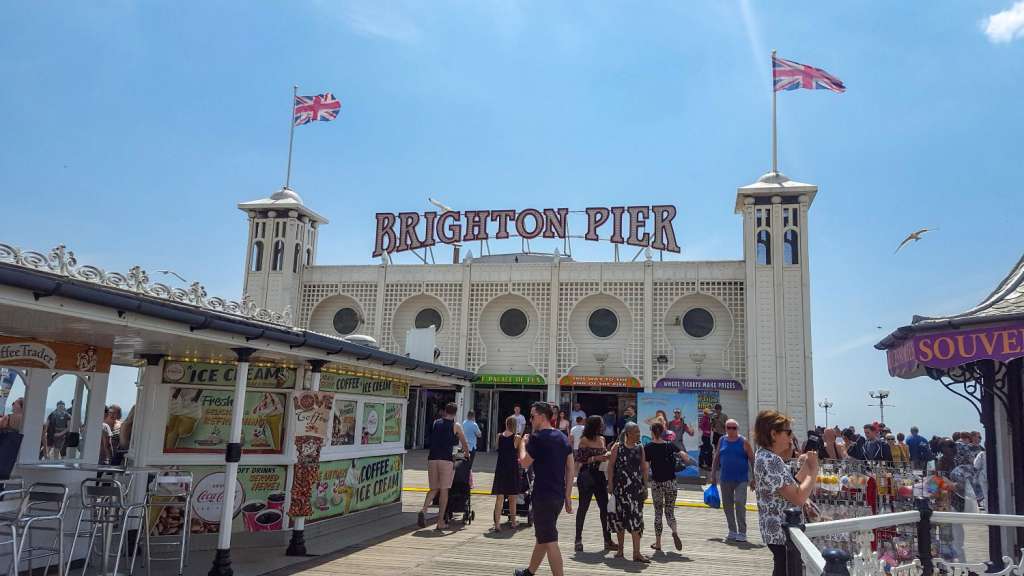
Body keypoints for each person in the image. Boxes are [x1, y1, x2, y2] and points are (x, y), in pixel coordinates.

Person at [753, 410, 818, 576]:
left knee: (784, 567)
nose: (791, 436)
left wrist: (806, 467)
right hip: (782, 531)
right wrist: (813, 471)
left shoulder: (764, 456)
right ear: (773, 434)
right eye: (787, 432)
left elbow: (789, 485)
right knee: (786, 569)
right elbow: (797, 498)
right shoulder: (771, 460)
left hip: (775, 529)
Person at [514, 402, 573, 576]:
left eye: (532, 416)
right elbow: (570, 467)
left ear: (541, 416)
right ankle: (529, 572)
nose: (531, 420)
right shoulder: (562, 437)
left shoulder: (537, 438)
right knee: (543, 536)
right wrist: (568, 495)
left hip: (543, 495)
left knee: (550, 539)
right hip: (557, 496)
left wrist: (523, 444)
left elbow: (524, 463)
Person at [418, 402, 470, 531]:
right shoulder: (456, 425)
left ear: (445, 411)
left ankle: (423, 510)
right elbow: (464, 442)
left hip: (432, 458)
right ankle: (440, 521)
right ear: (455, 413)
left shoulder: (436, 422)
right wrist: (467, 454)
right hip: (446, 460)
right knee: (444, 490)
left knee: (433, 489)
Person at [608, 421, 649, 563]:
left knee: (636, 520)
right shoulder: (617, 447)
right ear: (628, 433)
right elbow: (611, 467)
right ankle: (620, 550)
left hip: (636, 490)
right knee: (619, 519)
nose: (639, 434)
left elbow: (644, 468)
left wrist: (646, 486)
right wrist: (610, 484)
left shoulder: (640, 448)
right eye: (636, 432)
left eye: (639, 431)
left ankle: (636, 553)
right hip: (620, 489)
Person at [711, 418, 755, 542]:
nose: (731, 430)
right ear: (725, 429)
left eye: (733, 428)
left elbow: (752, 459)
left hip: (741, 479)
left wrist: (754, 478)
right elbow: (716, 457)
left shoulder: (744, 441)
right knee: (727, 505)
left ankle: (742, 532)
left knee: (740, 502)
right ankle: (732, 530)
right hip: (725, 478)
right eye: (728, 428)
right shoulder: (722, 440)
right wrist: (713, 474)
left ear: (738, 429)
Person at [645, 421, 685, 552]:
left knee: (658, 513)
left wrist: (644, 483)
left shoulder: (649, 447)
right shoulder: (670, 445)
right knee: (670, 511)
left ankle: (658, 543)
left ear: (652, 432)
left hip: (657, 483)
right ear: (662, 432)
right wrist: (689, 460)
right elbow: (684, 456)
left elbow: (646, 468)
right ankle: (674, 531)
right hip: (671, 482)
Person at [574, 415, 612, 552]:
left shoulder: (602, 439)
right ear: (595, 425)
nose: (603, 426)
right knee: (583, 507)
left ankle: (607, 540)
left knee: (605, 509)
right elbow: (580, 459)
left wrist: (607, 455)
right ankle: (578, 539)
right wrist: (596, 457)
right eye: (601, 424)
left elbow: (603, 456)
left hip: (600, 476)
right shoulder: (584, 440)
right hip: (587, 476)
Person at [491, 415, 522, 532]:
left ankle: (497, 524)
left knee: (499, 497)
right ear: (515, 426)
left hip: (500, 468)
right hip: (512, 468)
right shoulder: (517, 438)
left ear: (506, 424)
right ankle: (513, 522)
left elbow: (497, 449)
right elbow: (519, 454)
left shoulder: (498, 436)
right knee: (512, 497)